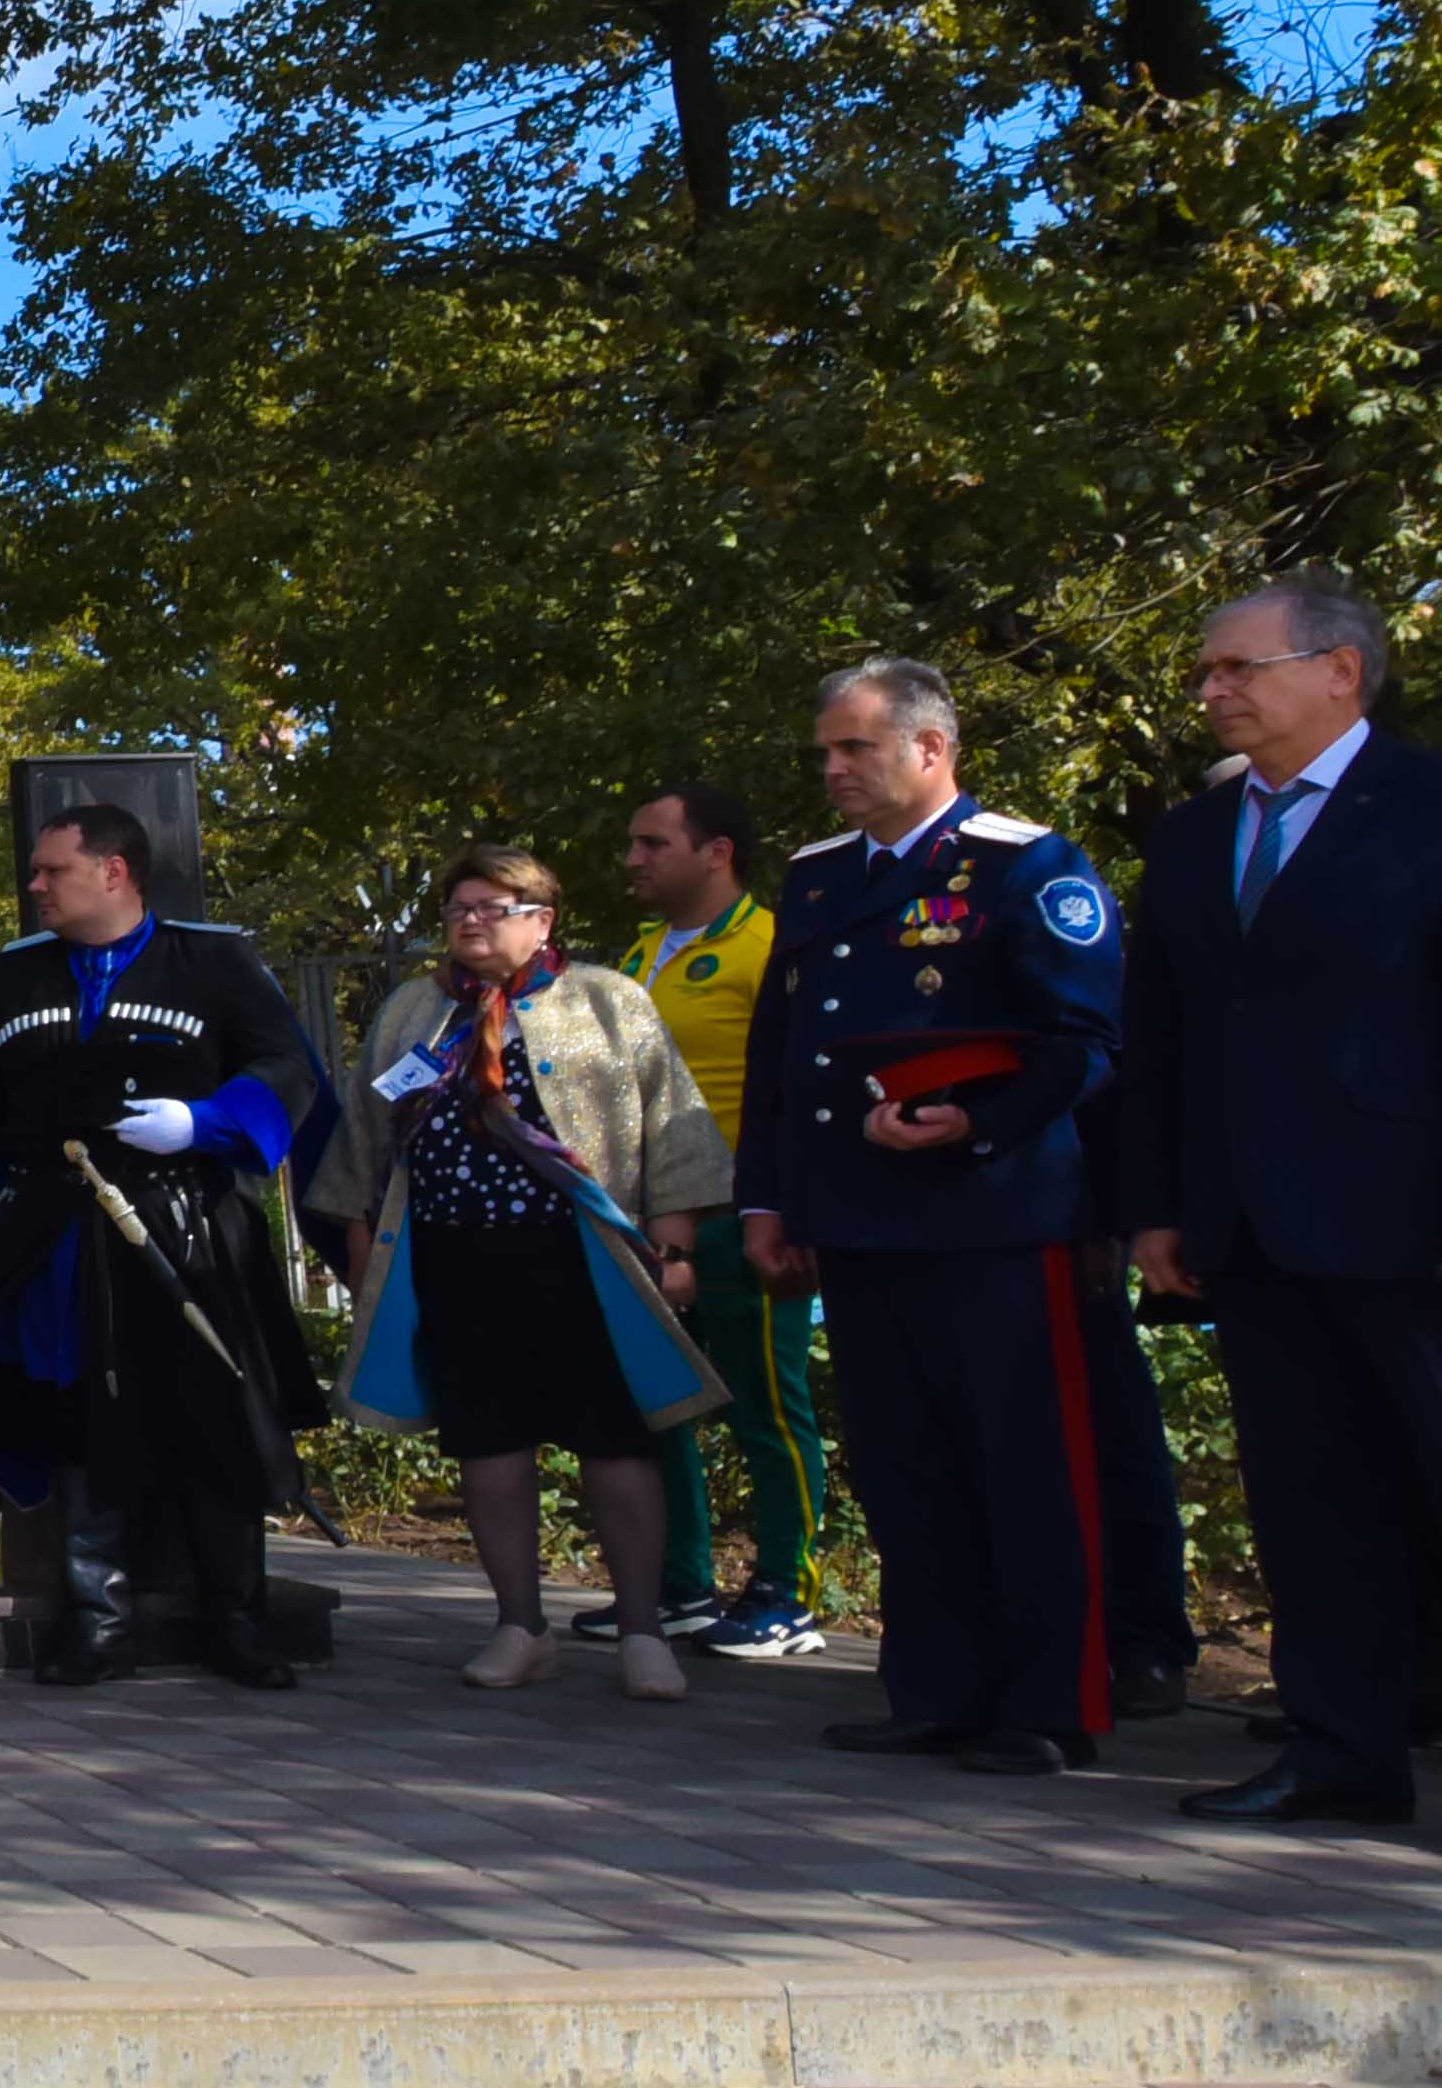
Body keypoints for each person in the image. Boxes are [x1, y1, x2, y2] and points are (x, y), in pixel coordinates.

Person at [739, 657, 1126, 1778]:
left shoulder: (1025, 865)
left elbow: (1085, 1044)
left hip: (993, 1216)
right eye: (823, 750)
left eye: (853, 747)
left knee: (1026, 1463)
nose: (831, 769)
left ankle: (1050, 1703)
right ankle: (934, 1688)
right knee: (902, 1464)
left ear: (928, 747)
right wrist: (770, 1197)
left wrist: (976, 1120)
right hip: (857, 1218)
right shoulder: (815, 880)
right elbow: (783, 1056)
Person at [1122, 579, 1442, 1828]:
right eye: (1207, 669)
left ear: (1340, 672)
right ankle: (1341, 1752)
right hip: (1250, 1228)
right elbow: (1161, 1034)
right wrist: (1153, 1202)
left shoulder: (1425, 805)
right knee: (1314, 1504)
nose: (1212, 689)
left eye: (1237, 666)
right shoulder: (1195, 837)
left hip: (1410, 1223)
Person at [0, 801, 322, 1688]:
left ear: (113, 871)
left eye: (53, 870)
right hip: (53, 1233)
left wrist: (203, 1122)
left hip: (185, 1226)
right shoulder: (16, 976)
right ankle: (99, 1617)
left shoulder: (214, 961)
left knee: (216, 1405)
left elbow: (288, 1068)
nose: (35, 885)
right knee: (79, 1411)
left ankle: (234, 1619)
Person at [307, 844, 732, 1703]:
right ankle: (520, 1626)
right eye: (459, 906)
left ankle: (644, 1634)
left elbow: (673, 1136)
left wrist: (675, 1252)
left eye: (492, 906)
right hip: (457, 1259)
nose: (469, 919)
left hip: (586, 1261)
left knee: (618, 1442)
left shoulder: (609, 1000)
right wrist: (362, 1258)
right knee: (488, 1442)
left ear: (543, 919)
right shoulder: (413, 1011)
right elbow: (362, 1138)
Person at [617, 781, 840, 1657]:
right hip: (645, 1226)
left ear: (717, 853)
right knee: (660, 1406)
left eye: (652, 844)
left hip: (742, 1218)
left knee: (767, 1409)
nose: (633, 860)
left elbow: (799, 1087)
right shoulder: (634, 958)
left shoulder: (772, 945)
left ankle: (789, 1590)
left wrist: (788, 1209)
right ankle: (681, 1585)